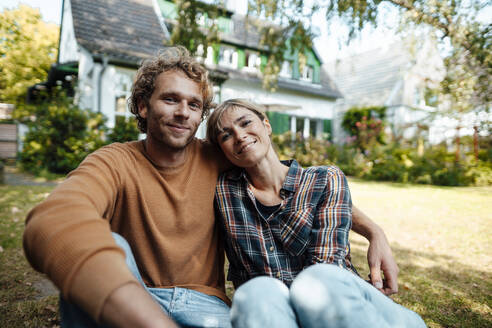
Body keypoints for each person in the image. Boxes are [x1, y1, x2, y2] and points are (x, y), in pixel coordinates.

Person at [23, 47, 398, 328]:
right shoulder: (114, 161)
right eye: (170, 99)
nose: (183, 112)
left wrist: (372, 230)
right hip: (138, 295)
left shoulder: (220, 156)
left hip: (206, 307)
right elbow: (56, 217)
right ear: (142, 106)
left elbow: (296, 186)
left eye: (194, 104)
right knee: (112, 247)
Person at [206, 99, 426, 328]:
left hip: (334, 299)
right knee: (254, 292)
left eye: (246, 123)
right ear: (221, 151)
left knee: (318, 279)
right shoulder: (222, 190)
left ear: (267, 125)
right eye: (226, 136)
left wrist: (375, 232)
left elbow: (326, 266)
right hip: (274, 310)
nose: (240, 136)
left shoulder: (324, 179)